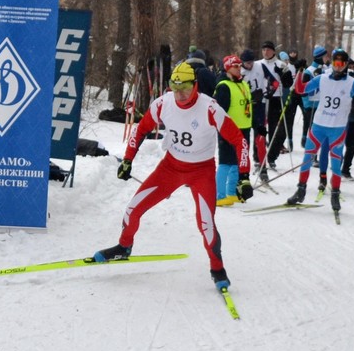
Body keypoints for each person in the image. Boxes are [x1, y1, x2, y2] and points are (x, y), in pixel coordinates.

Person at [96, 62, 252, 290]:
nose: (180, 95)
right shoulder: (163, 104)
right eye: (175, 89)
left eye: (185, 90)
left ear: (195, 86)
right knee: (133, 208)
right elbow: (141, 130)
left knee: (206, 224)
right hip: (170, 168)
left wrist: (244, 176)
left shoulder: (209, 108)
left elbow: (239, 140)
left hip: (202, 171)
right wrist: (128, 160)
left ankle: (217, 269)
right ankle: (123, 247)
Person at [286, 49, 354, 214]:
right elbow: (301, 89)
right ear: (332, 63)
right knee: (307, 159)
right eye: (335, 63)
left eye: (341, 64)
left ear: (346, 65)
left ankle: (335, 194)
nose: (338, 67)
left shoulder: (352, 82)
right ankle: (300, 191)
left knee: (336, 163)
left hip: (337, 129)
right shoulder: (322, 78)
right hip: (318, 126)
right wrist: (301, 71)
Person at [214, 55, 252, 206]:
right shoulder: (223, 86)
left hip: (244, 128)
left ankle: (231, 192)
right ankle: (219, 195)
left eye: (239, 66)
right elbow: (219, 111)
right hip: (229, 131)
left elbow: (248, 105)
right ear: (228, 68)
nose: (239, 69)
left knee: (238, 162)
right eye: (235, 66)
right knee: (225, 162)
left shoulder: (243, 84)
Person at [240, 48, 268, 175]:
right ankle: (244, 167)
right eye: (247, 63)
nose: (249, 65)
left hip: (259, 108)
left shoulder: (260, 66)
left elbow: (273, 80)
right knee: (244, 140)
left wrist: (269, 92)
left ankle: (262, 166)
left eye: (251, 62)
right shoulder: (239, 71)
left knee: (260, 137)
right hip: (245, 109)